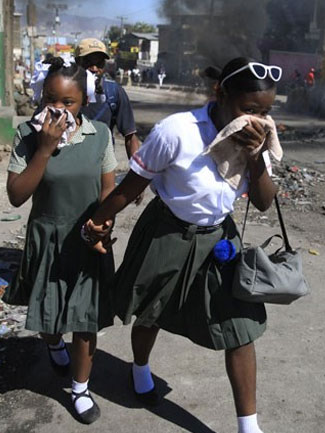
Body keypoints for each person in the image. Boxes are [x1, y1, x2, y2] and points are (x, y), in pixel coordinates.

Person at [83, 57, 280, 433]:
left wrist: (256, 156)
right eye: (249, 109)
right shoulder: (177, 131)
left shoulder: (256, 140)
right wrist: (97, 221)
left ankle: (248, 426)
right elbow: (133, 184)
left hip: (219, 240)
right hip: (168, 233)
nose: (256, 120)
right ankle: (140, 368)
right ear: (220, 94)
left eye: (265, 112)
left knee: (240, 329)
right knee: (151, 312)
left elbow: (264, 201)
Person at [3, 57, 117, 425]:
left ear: (84, 101)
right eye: (50, 100)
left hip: (87, 238)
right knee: (49, 313)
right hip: (47, 236)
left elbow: (108, 190)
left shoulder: (100, 134)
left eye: (68, 102)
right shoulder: (27, 134)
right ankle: (53, 342)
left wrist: (103, 225)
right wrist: (44, 149)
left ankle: (80, 389)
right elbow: (16, 196)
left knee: (85, 320)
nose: (58, 109)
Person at [76, 38, 141, 162]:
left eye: (99, 63)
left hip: (102, 166)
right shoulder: (62, 91)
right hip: (70, 164)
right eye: (88, 62)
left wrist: (137, 170)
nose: (94, 68)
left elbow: (130, 136)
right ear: (77, 62)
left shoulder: (114, 92)